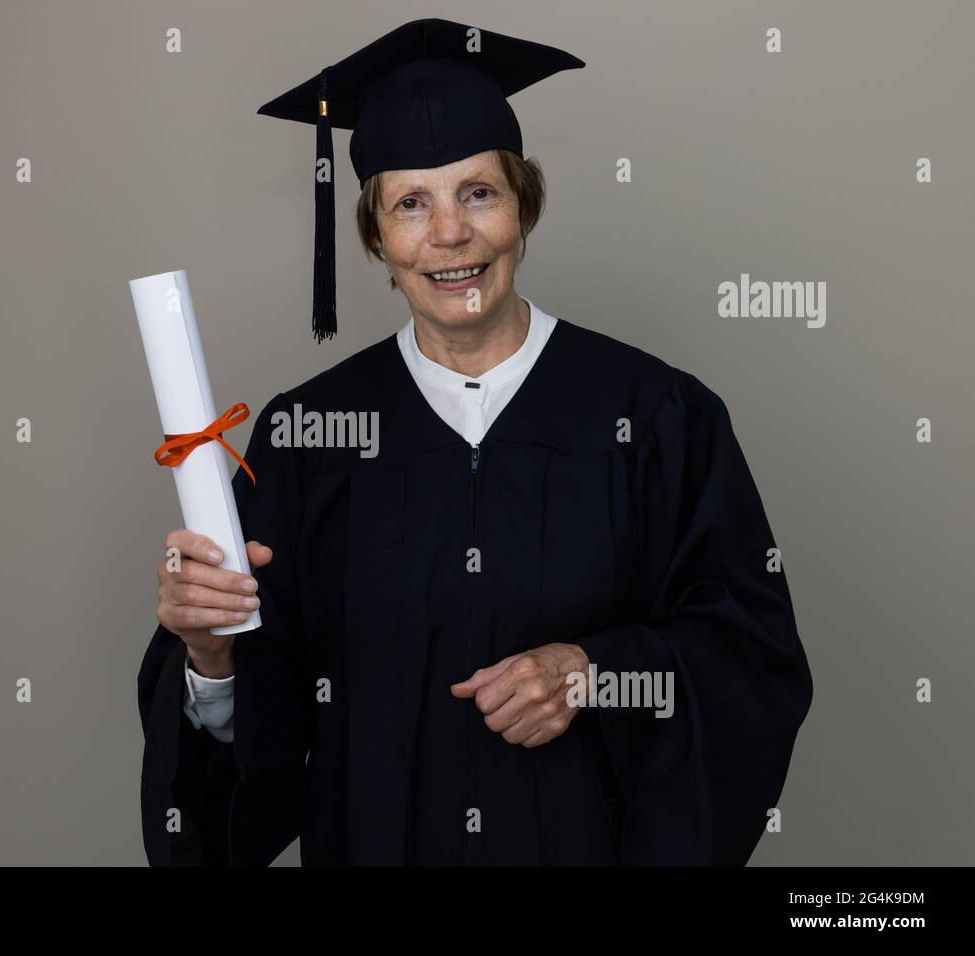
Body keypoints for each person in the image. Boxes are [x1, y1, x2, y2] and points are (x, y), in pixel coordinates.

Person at [138, 18, 813, 866]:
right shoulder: (306, 437)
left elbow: (750, 656)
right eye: (411, 203)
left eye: (479, 193)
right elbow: (260, 728)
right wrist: (209, 654)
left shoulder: (659, 416)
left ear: (523, 206)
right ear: (376, 236)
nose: (449, 234)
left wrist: (593, 671)